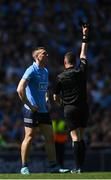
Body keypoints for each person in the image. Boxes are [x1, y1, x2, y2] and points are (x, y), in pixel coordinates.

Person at [17, 47, 69, 174]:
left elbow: (44, 88)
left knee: (50, 138)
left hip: (43, 111)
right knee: (29, 137)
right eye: (44, 53)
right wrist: (29, 104)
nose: (47, 55)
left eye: (47, 53)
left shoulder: (45, 71)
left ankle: (53, 166)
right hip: (31, 110)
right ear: (37, 57)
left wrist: (46, 97)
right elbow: (20, 89)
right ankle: (24, 166)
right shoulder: (31, 70)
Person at [53, 25, 89, 173]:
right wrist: (84, 36)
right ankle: (81, 167)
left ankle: (77, 167)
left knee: (74, 138)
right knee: (81, 137)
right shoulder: (81, 70)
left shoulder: (60, 77)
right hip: (83, 107)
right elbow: (84, 55)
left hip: (70, 109)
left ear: (65, 62)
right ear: (75, 61)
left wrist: (60, 103)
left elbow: (55, 96)